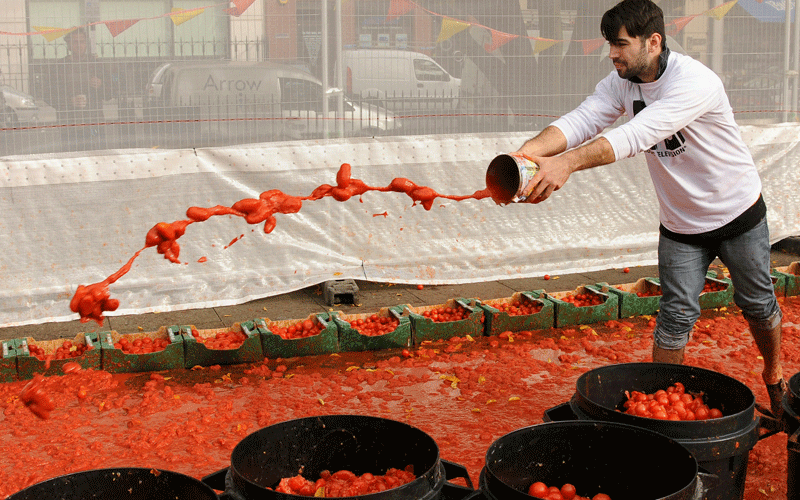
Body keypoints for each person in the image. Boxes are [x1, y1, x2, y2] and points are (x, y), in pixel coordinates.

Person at [515, 0, 785, 417]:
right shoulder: (621, 81)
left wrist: (566, 163)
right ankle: (664, 410)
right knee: (675, 317)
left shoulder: (696, 81)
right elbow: (582, 119)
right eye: (609, 44)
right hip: (680, 223)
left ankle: (774, 370)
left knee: (757, 303)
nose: (612, 54)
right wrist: (524, 156)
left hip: (736, 213)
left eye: (620, 44)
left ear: (653, 41)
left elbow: (637, 135)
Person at [43, 27, 111, 150]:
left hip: (94, 121)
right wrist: (69, 101)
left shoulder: (97, 64)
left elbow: (111, 92)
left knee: (97, 158)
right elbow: (47, 94)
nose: (78, 45)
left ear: (86, 44)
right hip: (69, 123)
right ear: (68, 44)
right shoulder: (59, 66)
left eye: (82, 41)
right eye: (75, 42)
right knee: (71, 159)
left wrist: (101, 84)